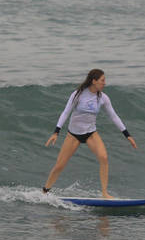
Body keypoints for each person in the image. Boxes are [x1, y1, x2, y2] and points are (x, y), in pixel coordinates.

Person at [43, 69, 137, 198]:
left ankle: (104, 193)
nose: (105, 83)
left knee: (104, 158)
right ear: (94, 81)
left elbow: (114, 116)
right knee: (60, 165)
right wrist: (56, 132)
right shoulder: (78, 94)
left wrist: (127, 135)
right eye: (102, 80)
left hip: (91, 133)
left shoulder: (103, 98)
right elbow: (66, 112)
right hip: (74, 134)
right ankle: (45, 191)